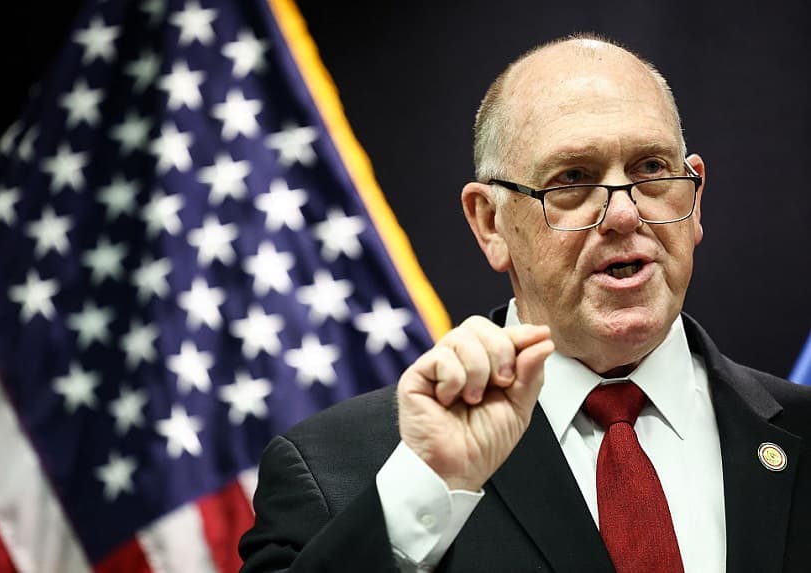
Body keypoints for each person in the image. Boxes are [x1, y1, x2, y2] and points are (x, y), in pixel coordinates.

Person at [238, 33, 811, 572]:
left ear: (695, 195)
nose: (623, 214)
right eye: (571, 180)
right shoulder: (339, 470)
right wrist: (427, 491)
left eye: (651, 169)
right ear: (490, 223)